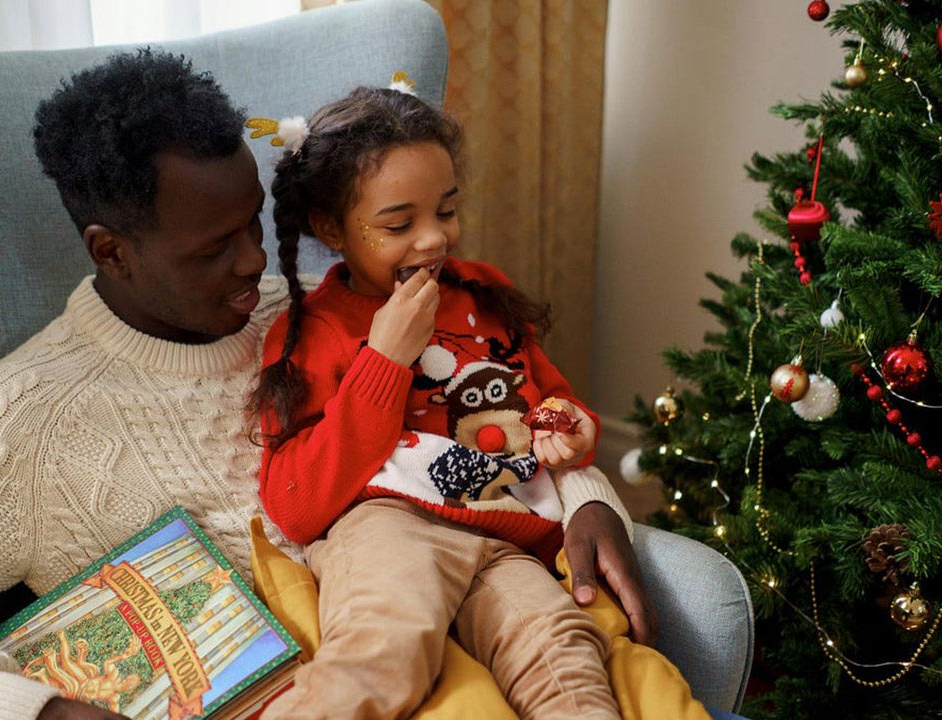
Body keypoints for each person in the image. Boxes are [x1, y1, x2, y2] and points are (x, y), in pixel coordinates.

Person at [0, 50, 652, 720]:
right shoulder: (19, 417)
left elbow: (487, 389)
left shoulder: (326, 313)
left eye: (254, 223)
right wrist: (40, 711)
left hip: (475, 640)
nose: (254, 263)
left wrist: (586, 495)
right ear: (111, 249)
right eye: (213, 249)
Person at [252, 84, 673, 720]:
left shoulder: (484, 292)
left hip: (503, 528)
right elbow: (293, 503)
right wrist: (386, 360)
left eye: (445, 212)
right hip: (387, 523)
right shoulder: (311, 331)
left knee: (567, 656)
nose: (432, 240)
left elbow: (546, 396)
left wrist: (566, 427)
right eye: (398, 224)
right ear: (330, 227)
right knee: (383, 654)